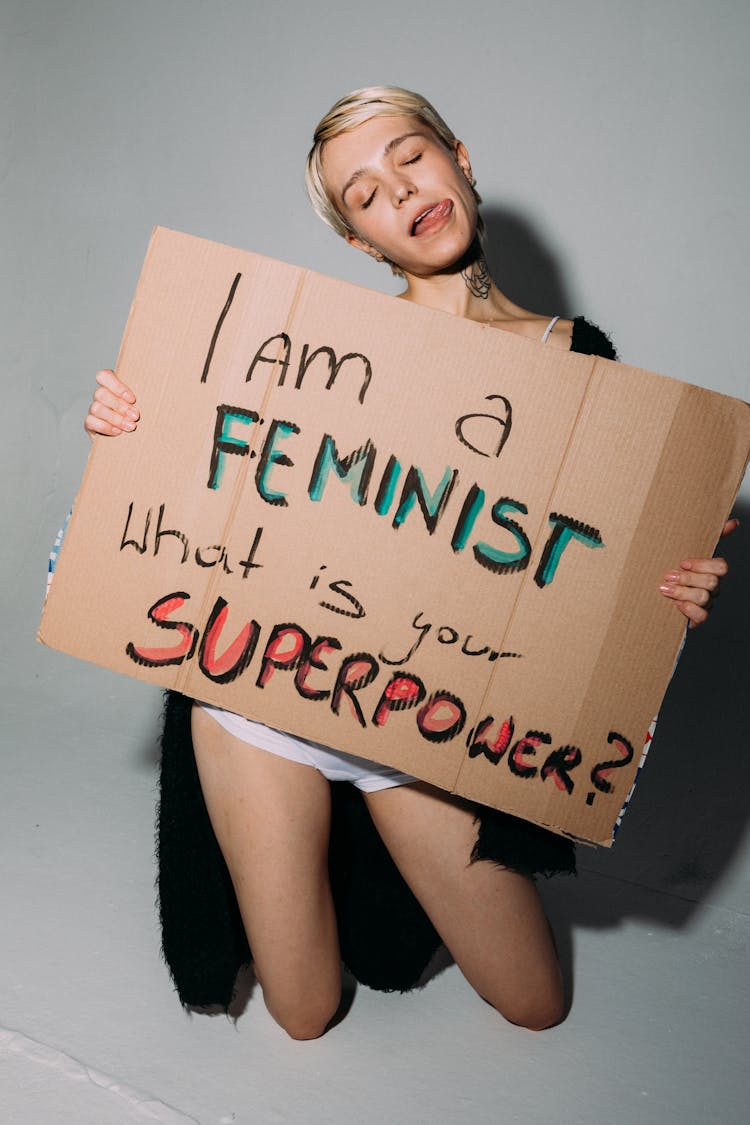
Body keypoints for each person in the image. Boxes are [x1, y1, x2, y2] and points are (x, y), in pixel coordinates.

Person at [81, 87, 736, 1039]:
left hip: (426, 725)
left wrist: (665, 589)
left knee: (536, 1005)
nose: (399, 189)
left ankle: (352, 883)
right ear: (361, 244)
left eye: (409, 156)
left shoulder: (578, 359)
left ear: (460, 157)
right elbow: (182, 507)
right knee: (304, 1014)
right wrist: (132, 433)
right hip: (259, 699)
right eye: (364, 194)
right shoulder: (313, 347)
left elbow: (589, 576)